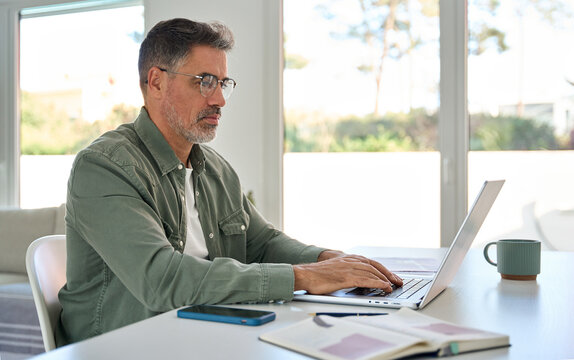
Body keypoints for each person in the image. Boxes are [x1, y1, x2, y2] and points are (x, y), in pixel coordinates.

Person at [56, 18, 402, 346]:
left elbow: (262, 243)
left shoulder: (216, 169)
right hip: (123, 346)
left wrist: (331, 260)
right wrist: (306, 277)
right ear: (157, 81)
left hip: (202, 333)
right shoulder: (103, 166)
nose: (219, 99)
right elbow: (162, 278)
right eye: (204, 81)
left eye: (223, 83)